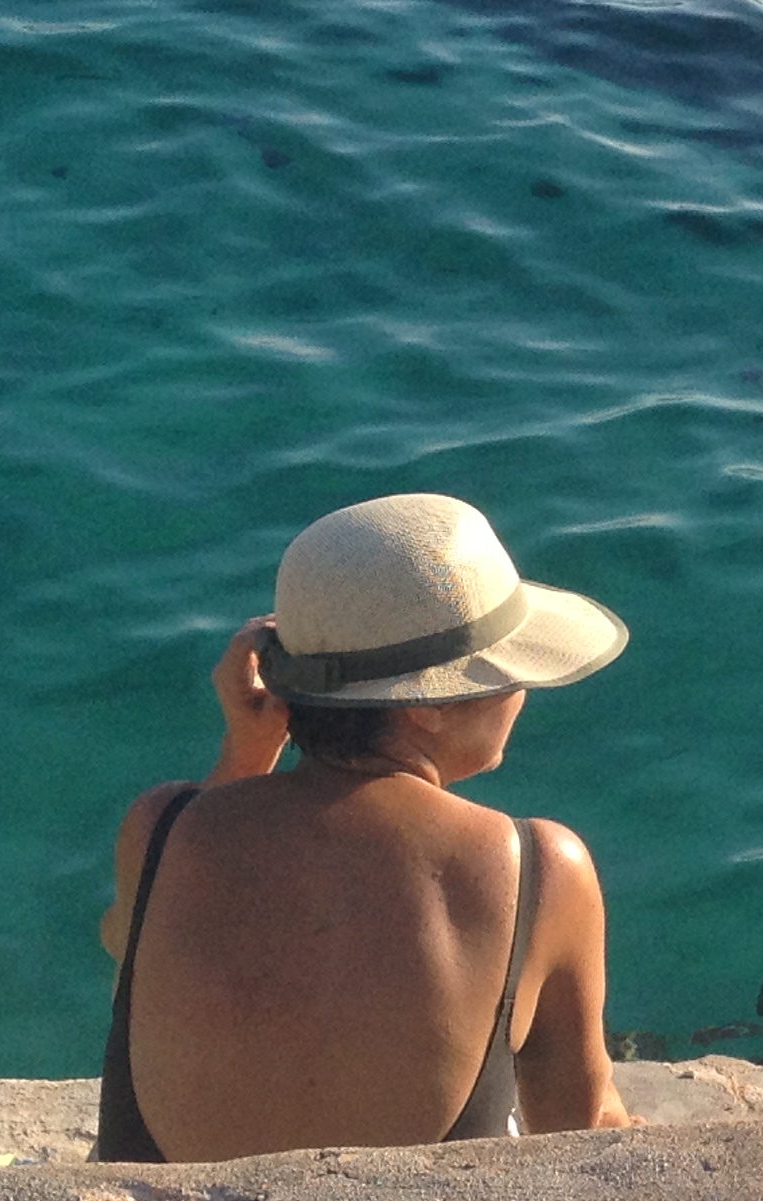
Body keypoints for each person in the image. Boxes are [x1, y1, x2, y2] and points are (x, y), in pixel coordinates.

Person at [94, 493, 637, 1163]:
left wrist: (247, 750)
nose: (521, 694)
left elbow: (132, 951)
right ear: (427, 708)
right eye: (505, 671)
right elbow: (578, 1132)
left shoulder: (160, 831)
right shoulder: (541, 870)